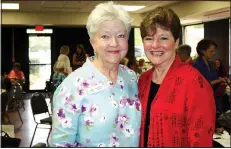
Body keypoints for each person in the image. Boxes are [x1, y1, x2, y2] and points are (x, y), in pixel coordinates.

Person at [51, 1, 141, 147]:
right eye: (105, 36)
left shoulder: (132, 78)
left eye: (120, 35)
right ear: (93, 42)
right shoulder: (72, 86)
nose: (114, 43)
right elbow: (60, 144)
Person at [138, 7, 216, 147]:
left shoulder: (194, 82)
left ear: (177, 42)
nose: (155, 45)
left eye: (163, 38)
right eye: (149, 38)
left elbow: (201, 140)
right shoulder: (143, 80)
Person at [193, 39, 229, 113]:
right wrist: (219, 80)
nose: (214, 53)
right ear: (203, 51)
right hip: (203, 99)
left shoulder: (210, 63)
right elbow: (202, 84)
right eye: (211, 51)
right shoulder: (197, 65)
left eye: (214, 51)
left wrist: (221, 79)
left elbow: (214, 78)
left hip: (213, 97)